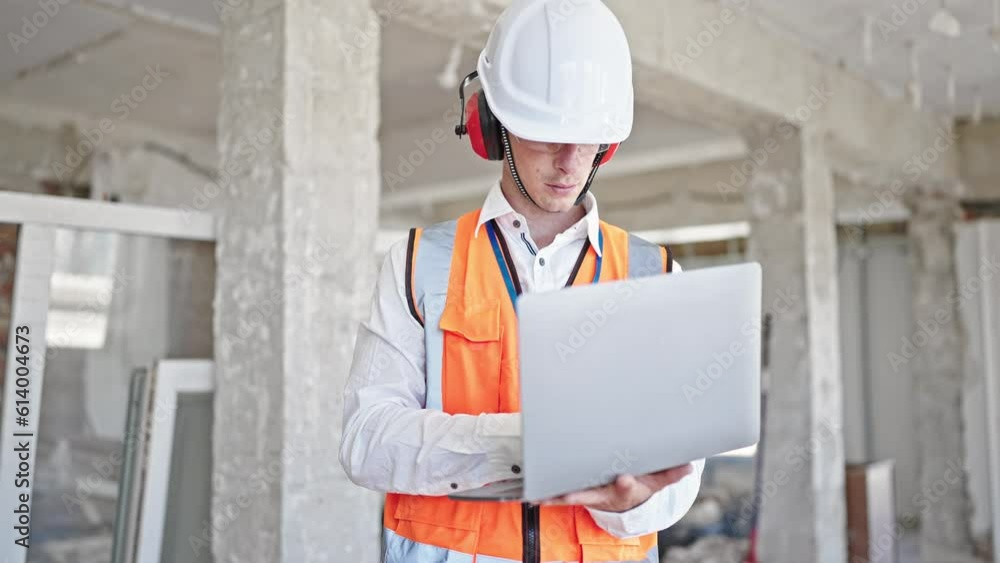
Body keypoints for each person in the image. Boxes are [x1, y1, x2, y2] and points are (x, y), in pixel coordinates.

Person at [340, 1, 705, 561]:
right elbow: (366, 441)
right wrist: (522, 444)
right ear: (493, 125)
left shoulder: (653, 274)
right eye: (545, 136)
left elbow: (679, 479)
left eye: (588, 140)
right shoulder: (417, 263)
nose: (568, 162)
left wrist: (625, 499)